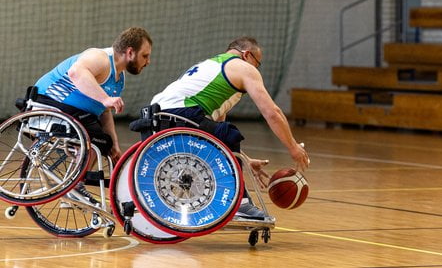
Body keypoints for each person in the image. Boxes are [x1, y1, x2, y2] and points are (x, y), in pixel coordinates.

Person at [149, 36, 310, 218]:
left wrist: (244, 159)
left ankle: (225, 199)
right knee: (230, 133)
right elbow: (272, 112)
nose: (256, 69)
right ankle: (239, 203)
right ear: (247, 55)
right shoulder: (243, 68)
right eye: (257, 64)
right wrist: (293, 146)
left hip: (155, 116)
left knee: (222, 133)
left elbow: (217, 134)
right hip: (180, 114)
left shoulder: (209, 67)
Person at [34, 26, 153, 204]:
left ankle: (72, 185)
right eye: (145, 55)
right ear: (130, 52)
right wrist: (106, 98)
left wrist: (115, 144)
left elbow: (103, 110)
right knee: (96, 139)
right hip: (48, 103)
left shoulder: (119, 78)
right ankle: (73, 187)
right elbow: (75, 73)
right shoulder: (101, 58)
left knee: (104, 141)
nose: (148, 61)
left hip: (71, 113)